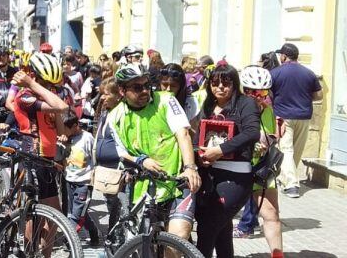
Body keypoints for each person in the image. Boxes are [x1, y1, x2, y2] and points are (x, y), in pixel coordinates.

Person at [105, 64, 201, 242]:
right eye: (137, 87)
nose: (144, 91)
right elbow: (121, 152)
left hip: (177, 182)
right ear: (121, 90)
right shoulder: (115, 116)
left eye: (146, 85)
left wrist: (190, 168)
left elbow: (183, 134)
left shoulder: (166, 100)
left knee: (178, 237)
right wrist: (141, 160)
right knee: (144, 244)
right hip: (144, 188)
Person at [194, 63, 260, 258]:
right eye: (215, 83)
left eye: (226, 82)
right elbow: (200, 136)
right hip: (210, 174)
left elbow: (252, 133)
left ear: (234, 83)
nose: (220, 87)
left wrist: (220, 150)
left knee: (207, 229)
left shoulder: (245, 102)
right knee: (221, 231)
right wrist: (201, 157)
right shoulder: (207, 104)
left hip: (236, 175)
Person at [11, 53, 70, 216]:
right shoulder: (25, 96)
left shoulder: (48, 99)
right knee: (35, 214)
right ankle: (28, 242)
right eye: (44, 83)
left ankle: (45, 243)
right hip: (33, 156)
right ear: (33, 77)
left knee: (53, 214)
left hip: (48, 159)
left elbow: (61, 129)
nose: (48, 87)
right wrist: (30, 83)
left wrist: (53, 103)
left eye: (51, 85)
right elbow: (63, 107)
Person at [233, 66, 283, 258]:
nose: (258, 97)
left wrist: (268, 141)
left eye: (263, 92)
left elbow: (270, 135)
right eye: (252, 92)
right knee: (221, 216)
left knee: (271, 214)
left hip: (260, 167)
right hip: (235, 166)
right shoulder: (233, 109)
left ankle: (277, 255)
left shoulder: (267, 111)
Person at [270, 43, 322, 198]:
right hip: (304, 116)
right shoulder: (309, 73)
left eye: (281, 55)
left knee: (286, 149)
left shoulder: (275, 73)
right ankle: (285, 177)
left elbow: (268, 95)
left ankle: (291, 184)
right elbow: (319, 96)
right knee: (295, 150)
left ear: (284, 56)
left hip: (283, 117)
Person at [93, 77, 127, 232]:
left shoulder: (122, 113)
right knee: (111, 208)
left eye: (106, 94)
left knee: (118, 212)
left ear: (118, 94)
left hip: (118, 170)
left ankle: (117, 244)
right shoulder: (106, 112)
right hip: (106, 171)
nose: (102, 97)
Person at [59, 113, 98, 245]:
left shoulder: (87, 138)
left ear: (75, 126)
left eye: (66, 129)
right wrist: (62, 144)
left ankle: (69, 240)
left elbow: (95, 158)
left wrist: (93, 179)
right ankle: (93, 231)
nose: (63, 132)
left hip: (84, 182)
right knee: (79, 212)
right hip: (70, 180)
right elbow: (60, 157)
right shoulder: (65, 138)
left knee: (76, 215)